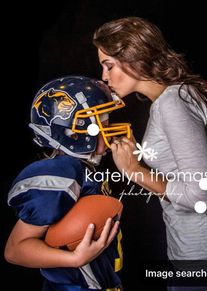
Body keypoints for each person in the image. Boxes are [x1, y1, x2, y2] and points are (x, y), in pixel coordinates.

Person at [93, 17, 207, 290]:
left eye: (108, 65)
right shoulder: (172, 99)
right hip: (195, 256)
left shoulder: (173, 103)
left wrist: (135, 171)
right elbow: (181, 178)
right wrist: (139, 154)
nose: (104, 76)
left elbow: (201, 195)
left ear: (134, 57)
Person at [4, 76, 131, 291]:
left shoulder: (85, 168)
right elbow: (15, 250)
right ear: (72, 131)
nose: (110, 128)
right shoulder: (62, 173)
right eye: (103, 122)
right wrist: (75, 259)